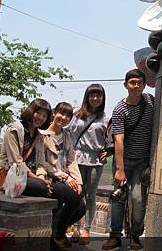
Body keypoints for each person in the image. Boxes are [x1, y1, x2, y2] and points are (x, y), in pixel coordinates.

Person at [0, 98, 82, 251]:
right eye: (38, 113)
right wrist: (38, 178)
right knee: (52, 190)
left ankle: (56, 233)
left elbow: (41, 163)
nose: (40, 118)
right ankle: (54, 236)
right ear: (31, 111)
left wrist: (63, 177)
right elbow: (16, 163)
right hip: (13, 177)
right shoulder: (14, 130)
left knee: (75, 197)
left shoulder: (37, 134)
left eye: (44, 116)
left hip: (32, 177)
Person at [102, 69, 154, 251]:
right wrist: (120, 168)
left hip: (142, 163)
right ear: (125, 85)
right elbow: (118, 139)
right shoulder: (120, 109)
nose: (136, 86)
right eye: (132, 82)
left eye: (139, 82)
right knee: (118, 200)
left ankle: (135, 236)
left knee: (138, 200)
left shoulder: (150, 102)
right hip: (124, 162)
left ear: (144, 84)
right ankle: (114, 236)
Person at [67, 84, 110, 244]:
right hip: (76, 158)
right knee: (76, 194)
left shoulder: (105, 118)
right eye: (92, 95)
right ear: (87, 97)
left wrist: (108, 151)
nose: (95, 98)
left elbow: (111, 139)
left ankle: (87, 229)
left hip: (95, 160)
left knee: (90, 195)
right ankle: (75, 228)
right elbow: (67, 133)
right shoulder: (76, 114)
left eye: (98, 95)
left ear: (102, 98)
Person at [39, 102, 86, 243]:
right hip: (49, 178)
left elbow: (72, 161)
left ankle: (57, 231)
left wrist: (78, 182)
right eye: (61, 113)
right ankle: (58, 236)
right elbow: (42, 162)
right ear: (54, 113)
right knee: (72, 198)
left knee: (81, 207)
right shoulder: (42, 134)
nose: (64, 117)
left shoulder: (67, 135)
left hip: (64, 180)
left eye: (68, 115)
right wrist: (65, 177)